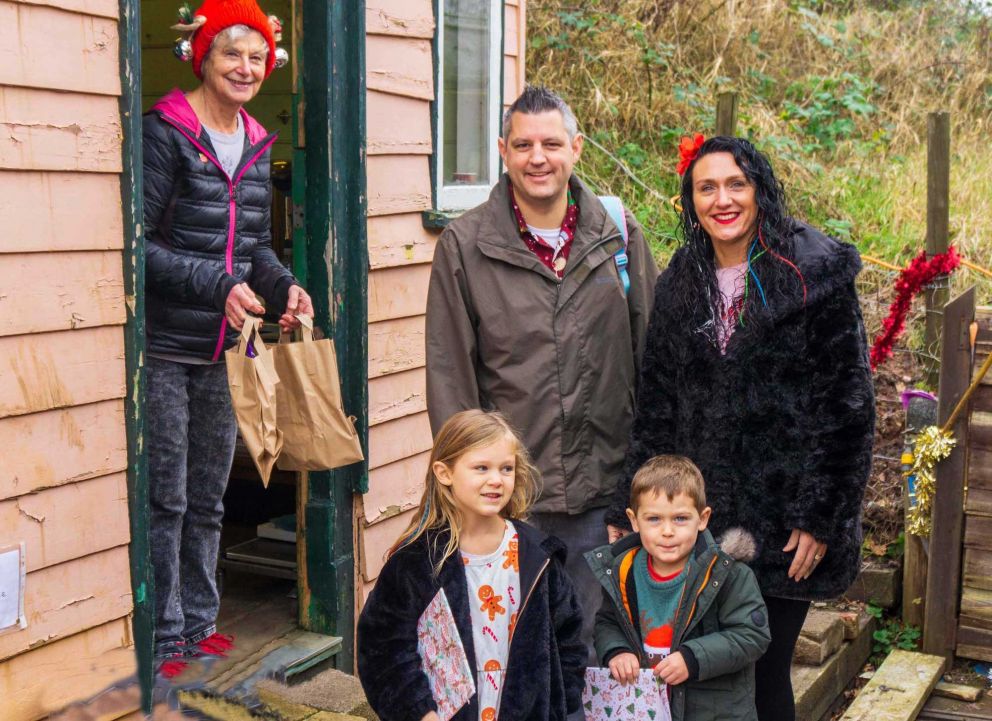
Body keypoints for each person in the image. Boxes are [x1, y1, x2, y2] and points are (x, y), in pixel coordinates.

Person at [605, 135, 875, 721]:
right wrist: (625, 510)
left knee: (765, 665)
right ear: (691, 200)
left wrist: (819, 515)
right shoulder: (683, 280)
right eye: (707, 187)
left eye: (736, 184)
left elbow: (847, 407)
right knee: (706, 671)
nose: (722, 200)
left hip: (785, 523)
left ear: (760, 190)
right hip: (701, 519)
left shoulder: (811, 273)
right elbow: (657, 404)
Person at [426, 86, 659, 666]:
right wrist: (472, 490)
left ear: (576, 149)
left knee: (595, 648)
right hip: (510, 499)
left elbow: (654, 356)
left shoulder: (618, 235)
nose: (538, 158)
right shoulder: (465, 246)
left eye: (551, 143)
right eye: (524, 144)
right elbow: (450, 372)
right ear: (503, 151)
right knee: (511, 652)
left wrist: (645, 477)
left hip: (603, 494)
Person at [142, 0, 312, 678]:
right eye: (230, 53)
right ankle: (164, 635)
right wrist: (216, 287)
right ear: (203, 57)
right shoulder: (168, 133)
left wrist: (286, 286)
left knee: (210, 493)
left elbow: (252, 254)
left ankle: (203, 620)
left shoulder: (255, 138)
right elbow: (140, 247)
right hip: (166, 345)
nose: (245, 67)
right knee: (168, 496)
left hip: (225, 346)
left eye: (256, 57)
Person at [357, 410, 586, 721]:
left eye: (506, 468)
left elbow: (569, 635)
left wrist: (560, 702)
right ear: (444, 472)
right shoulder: (418, 563)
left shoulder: (538, 557)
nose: (496, 479)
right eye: (481, 468)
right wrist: (419, 712)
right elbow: (384, 647)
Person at [588, 455, 771, 721]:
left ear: (703, 518)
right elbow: (607, 622)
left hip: (713, 711)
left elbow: (751, 635)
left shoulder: (728, 575)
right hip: (646, 707)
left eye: (681, 518)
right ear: (634, 520)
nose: (667, 531)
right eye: (654, 519)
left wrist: (693, 658)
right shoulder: (622, 571)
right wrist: (617, 651)